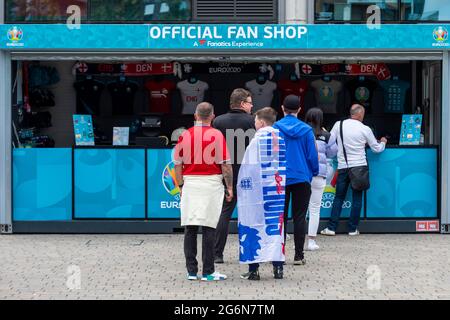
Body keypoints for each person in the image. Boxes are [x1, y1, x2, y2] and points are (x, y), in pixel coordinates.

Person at [174, 102, 234, 281]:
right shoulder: (216, 135)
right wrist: (229, 186)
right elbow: (225, 165)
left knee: (190, 228)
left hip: (190, 183)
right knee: (209, 228)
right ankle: (208, 271)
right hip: (211, 183)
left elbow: (178, 164)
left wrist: (180, 185)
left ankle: (191, 271)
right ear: (213, 117)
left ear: (195, 115)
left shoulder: (184, 135)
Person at [321, 104, 387, 236]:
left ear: (351, 113)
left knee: (339, 197)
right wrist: (383, 142)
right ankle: (352, 229)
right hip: (359, 167)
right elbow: (376, 148)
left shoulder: (338, 125)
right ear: (361, 114)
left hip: (343, 167)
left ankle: (331, 228)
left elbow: (330, 142)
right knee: (357, 198)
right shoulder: (365, 129)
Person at [238, 107, 286, 280]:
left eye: (256, 120)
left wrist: (242, 187)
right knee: (275, 228)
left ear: (262, 122)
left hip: (257, 193)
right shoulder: (279, 137)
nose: (254, 123)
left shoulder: (258, 139)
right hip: (275, 191)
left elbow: (248, 167)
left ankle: (254, 269)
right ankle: (278, 268)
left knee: (253, 225)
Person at [273, 95, 319, 265]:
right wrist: (313, 172)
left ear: (282, 108)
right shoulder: (307, 130)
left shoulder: (275, 128)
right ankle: (299, 255)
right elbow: (312, 155)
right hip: (301, 177)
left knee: (280, 217)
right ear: (300, 109)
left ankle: (279, 254)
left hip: (280, 178)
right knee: (300, 216)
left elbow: (272, 153)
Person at [213, 88, 256, 264]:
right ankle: (253, 253)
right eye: (250, 102)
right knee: (252, 215)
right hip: (249, 176)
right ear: (242, 103)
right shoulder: (253, 121)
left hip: (225, 175)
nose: (252, 105)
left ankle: (217, 254)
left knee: (224, 214)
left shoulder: (218, 122)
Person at [304, 108, 338, 251]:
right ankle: (311, 241)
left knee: (299, 209)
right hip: (319, 175)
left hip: (303, 175)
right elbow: (332, 153)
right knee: (315, 208)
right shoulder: (326, 135)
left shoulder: (302, 133)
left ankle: (289, 235)